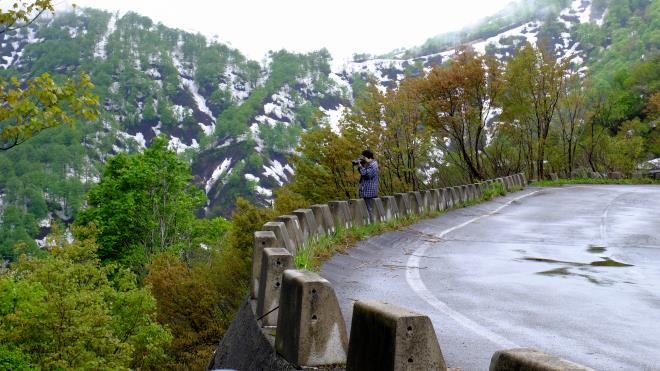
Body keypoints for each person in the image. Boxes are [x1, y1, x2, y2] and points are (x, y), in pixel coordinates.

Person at [358, 149, 378, 222]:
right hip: (367, 190)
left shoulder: (373, 165)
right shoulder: (370, 164)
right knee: (368, 209)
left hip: (369, 191)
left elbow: (367, 174)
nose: (363, 159)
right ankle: (371, 224)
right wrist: (362, 166)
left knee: (369, 209)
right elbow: (363, 174)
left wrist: (361, 167)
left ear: (367, 157)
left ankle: (372, 224)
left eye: (363, 157)